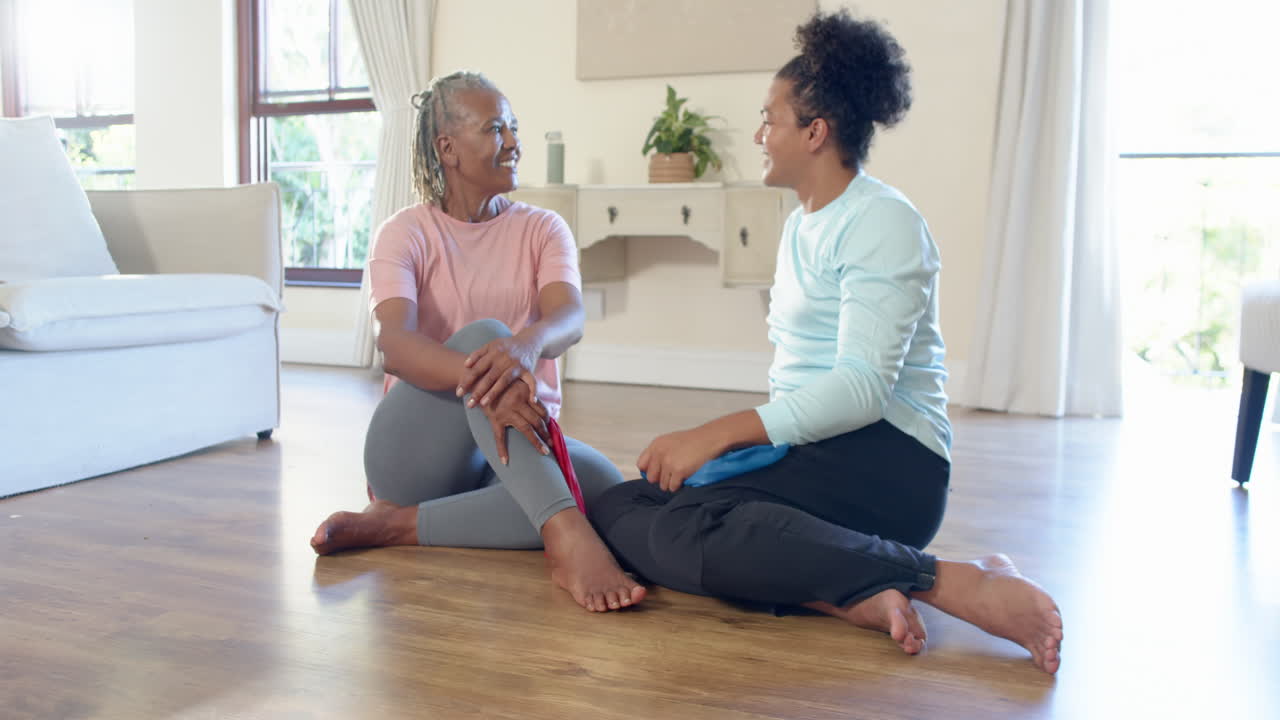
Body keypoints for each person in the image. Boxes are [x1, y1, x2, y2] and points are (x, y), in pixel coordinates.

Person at [588, 10, 1064, 672]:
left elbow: (863, 389)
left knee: (697, 528)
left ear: (815, 132)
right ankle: (847, 594)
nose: (759, 134)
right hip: (811, 456)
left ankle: (949, 580)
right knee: (618, 506)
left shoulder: (882, 221)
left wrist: (719, 433)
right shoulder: (800, 225)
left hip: (889, 463)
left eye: (769, 120)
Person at [310, 71, 645, 614]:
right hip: (415, 456)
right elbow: (394, 343)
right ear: (448, 149)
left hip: (510, 448)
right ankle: (563, 534)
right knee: (490, 336)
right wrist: (499, 369)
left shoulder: (543, 228)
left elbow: (569, 316)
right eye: (495, 129)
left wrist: (527, 349)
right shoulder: (405, 232)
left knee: (605, 488)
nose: (514, 141)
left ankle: (397, 528)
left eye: (514, 127)